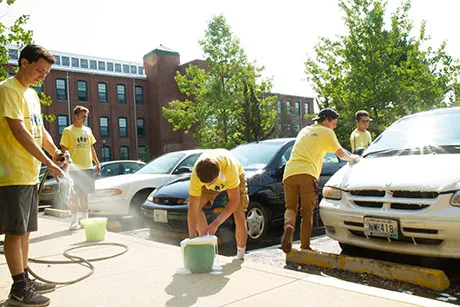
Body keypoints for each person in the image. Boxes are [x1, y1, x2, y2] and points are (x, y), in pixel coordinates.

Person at [0, 44, 65, 306]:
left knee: (25, 231)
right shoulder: (7, 90)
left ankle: (25, 278)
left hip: (28, 174)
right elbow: (18, 131)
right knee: (15, 233)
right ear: (24, 63)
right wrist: (49, 162)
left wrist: (56, 151)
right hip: (11, 172)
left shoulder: (32, 95)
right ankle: (18, 289)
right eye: (39, 70)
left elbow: (38, 130)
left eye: (46, 73)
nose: (42, 76)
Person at [281, 108, 359, 254]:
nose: (335, 126)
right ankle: (305, 245)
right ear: (326, 120)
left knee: (290, 208)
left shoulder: (304, 131)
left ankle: (289, 226)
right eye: (334, 123)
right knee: (307, 212)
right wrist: (352, 158)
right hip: (307, 173)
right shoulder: (326, 131)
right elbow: (340, 153)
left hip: (289, 172)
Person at [187, 149, 248, 260]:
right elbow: (192, 208)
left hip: (235, 179)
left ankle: (240, 255)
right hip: (212, 176)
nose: (208, 185)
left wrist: (216, 223)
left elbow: (234, 201)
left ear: (218, 173)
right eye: (205, 183)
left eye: (210, 182)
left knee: (239, 213)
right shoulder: (197, 175)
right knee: (196, 208)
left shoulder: (230, 167)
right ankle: (207, 248)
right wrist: (192, 239)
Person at [60, 106, 101, 230]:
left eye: (86, 117)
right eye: (83, 116)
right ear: (76, 116)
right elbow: (64, 149)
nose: (85, 119)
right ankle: (74, 221)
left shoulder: (88, 130)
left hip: (87, 167)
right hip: (73, 169)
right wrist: (66, 165)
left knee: (85, 196)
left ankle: (85, 220)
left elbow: (91, 148)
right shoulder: (68, 131)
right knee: (74, 196)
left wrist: (97, 162)